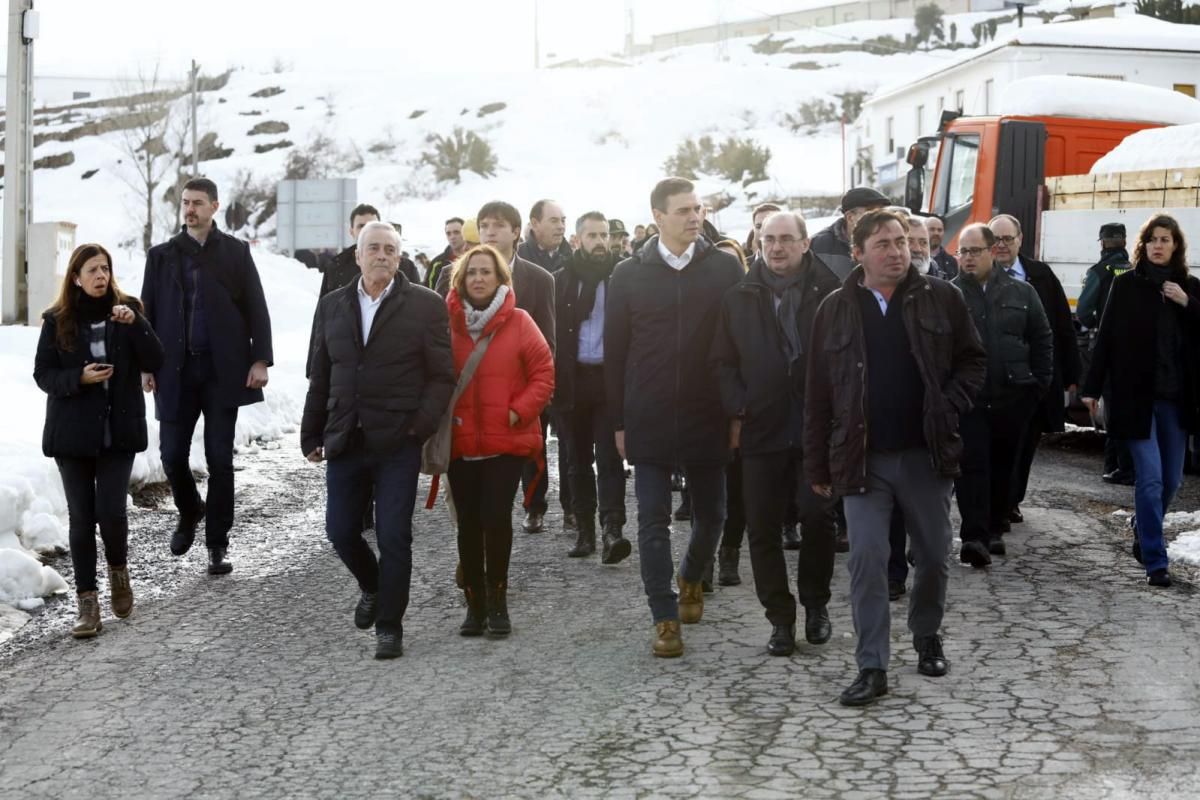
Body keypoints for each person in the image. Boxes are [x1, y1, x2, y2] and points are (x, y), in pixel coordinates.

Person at [805, 208, 986, 707]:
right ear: (857, 252)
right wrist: (817, 464)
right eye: (883, 243)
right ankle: (872, 665)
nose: (896, 251)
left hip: (923, 455)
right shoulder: (835, 308)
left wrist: (948, 404)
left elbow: (974, 359)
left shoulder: (941, 298)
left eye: (902, 241)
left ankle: (926, 634)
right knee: (866, 558)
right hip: (862, 458)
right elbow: (818, 393)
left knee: (931, 554)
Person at [301, 222, 455, 659]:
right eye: (374, 248)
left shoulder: (425, 306)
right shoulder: (333, 305)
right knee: (340, 531)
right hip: (346, 438)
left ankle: (390, 625)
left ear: (400, 256)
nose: (381, 255)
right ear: (358, 255)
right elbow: (322, 373)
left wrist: (417, 427)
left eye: (390, 249)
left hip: (397, 442)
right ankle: (372, 586)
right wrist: (312, 432)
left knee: (394, 536)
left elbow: (442, 375)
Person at [605, 177, 744, 658]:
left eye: (698, 208)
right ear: (658, 215)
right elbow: (615, 353)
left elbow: (738, 345)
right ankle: (664, 616)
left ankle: (690, 576)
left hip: (709, 412)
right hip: (649, 412)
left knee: (714, 516)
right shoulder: (626, 274)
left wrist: (735, 410)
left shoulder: (725, 268)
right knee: (652, 520)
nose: (694, 217)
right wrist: (618, 422)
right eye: (684, 210)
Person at [712, 210, 840, 656]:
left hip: (815, 429)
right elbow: (722, 362)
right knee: (762, 528)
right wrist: (740, 404)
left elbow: (846, 357)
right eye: (769, 239)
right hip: (762, 429)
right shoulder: (739, 296)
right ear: (758, 243)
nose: (777, 247)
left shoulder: (831, 293)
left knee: (819, 517)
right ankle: (780, 619)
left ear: (806, 243)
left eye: (787, 238)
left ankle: (816, 605)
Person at [141, 177, 273, 576]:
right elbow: (147, 311)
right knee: (171, 457)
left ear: (215, 206)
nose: (190, 209)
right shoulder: (162, 256)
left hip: (222, 372)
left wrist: (260, 359)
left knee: (220, 459)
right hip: (174, 371)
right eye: (185, 202)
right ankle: (190, 510)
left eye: (197, 202)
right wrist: (146, 363)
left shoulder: (235, 252)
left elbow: (256, 306)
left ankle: (217, 543)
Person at [34, 244, 165, 639]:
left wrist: (136, 323)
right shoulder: (56, 320)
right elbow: (44, 374)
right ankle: (87, 602)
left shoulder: (127, 311)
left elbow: (155, 358)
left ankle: (119, 574)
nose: (100, 276)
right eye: (92, 270)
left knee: (111, 511)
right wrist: (79, 378)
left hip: (118, 432)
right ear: (76, 277)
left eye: (105, 268)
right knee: (80, 518)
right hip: (72, 435)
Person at [1082, 214, 1200, 588]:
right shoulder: (1127, 285)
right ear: (1143, 245)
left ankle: (1141, 522)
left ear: (1176, 246)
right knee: (1149, 480)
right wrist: (1091, 387)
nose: (1159, 245)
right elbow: (1106, 339)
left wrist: (1188, 304)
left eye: (1166, 239)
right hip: (1135, 398)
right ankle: (1155, 559)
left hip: (1177, 400)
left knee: (1172, 481)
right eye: (1152, 239)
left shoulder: (1190, 288)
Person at [446, 244, 555, 635]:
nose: (478, 278)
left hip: (504, 442)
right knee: (468, 525)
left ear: (500, 278)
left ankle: (498, 601)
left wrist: (517, 412)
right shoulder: (446, 322)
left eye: (486, 272)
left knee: (495, 519)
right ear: (461, 279)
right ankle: (473, 605)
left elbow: (544, 372)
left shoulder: (521, 321)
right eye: (471, 272)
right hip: (459, 442)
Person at [436, 204, 559, 531]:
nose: (489, 231)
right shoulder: (452, 275)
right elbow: (436, 336)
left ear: (517, 232)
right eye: (485, 224)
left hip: (515, 403)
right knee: (459, 494)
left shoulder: (539, 279)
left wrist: (530, 403)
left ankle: (530, 510)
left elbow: (547, 344)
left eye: (498, 225)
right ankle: (471, 553)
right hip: (464, 401)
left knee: (498, 496)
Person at [951, 223, 1053, 566]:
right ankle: (974, 536)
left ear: (991, 251)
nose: (966, 258)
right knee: (971, 466)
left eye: (973, 251)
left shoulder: (1021, 293)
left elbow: (1042, 338)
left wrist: (1038, 386)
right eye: (962, 251)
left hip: (1013, 396)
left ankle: (993, 528)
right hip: (969, 399)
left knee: (1004, 466)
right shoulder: (949, 294)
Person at [988, 214, 1080, 525]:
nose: (1001, 245)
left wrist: (1070, 375)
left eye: (1007, 239)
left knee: (1025, 444)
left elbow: (1061, 326)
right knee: (995, 445)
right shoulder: (978, 275)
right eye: (995, 239)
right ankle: (994, 502)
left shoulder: (1039, 275)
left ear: (1020, 239)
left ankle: (1012, 500)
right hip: (994, 381)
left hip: (1032, 380)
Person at [553, 212, 631, 563]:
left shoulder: (623, 277)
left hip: (611, 380)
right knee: (577, 460)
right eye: (593, 236)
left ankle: (612, 529)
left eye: (604, 235)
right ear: (577, 239)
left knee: (611, 457)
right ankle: (585, 531)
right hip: (572, 380)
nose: (601, 242)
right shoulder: (561, 280)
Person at [307, 204, 419, 376]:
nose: (367, 230)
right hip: (346, 361)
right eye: (361, 226)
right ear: (351, 231)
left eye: (372, 224)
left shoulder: (403, 266)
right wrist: (313, 368)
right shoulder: (337, 266)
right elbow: (323, 318)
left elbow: (419, 312)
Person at [1078, 223, 1135, 485]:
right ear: (1124, 242)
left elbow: (1083, 311)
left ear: (1101, 243)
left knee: (1111, 408)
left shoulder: (1099, 271)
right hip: (1134, 348)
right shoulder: (1135, 270)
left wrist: (1095, 323)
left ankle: (1118, 466)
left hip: (1108, 348)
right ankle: (1118, 464)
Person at [810, 187, 890, 281]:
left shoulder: (893, 241)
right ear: (850, 218)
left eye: (882, 212)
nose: (880, 218)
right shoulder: (818, 245)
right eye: (872, 212)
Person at [518, 199, 572, 273]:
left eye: (563, 221)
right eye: (554, 221)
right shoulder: (516, 257)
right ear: (535, 224)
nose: (561, 226)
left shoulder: (574, 259)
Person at [427, 217, 468, 291]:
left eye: (456, 232)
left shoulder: (475, 259)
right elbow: (428, 291)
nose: (452, 237)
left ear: (465, 233)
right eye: (448, 233)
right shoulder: (437, 263)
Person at [926, 215, 958, 280]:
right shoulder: (915, 257)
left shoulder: (952, 261)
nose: (936, 233)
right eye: (932, 229)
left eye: (939, 230)